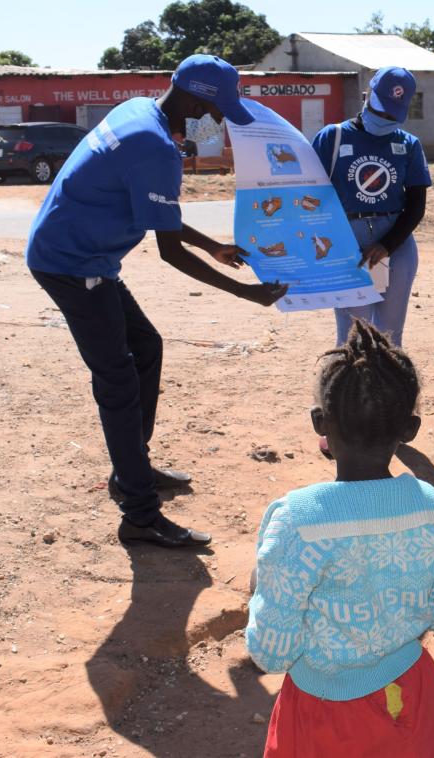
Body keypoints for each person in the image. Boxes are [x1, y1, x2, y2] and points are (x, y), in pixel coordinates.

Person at [26, 54, 288, 549]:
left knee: (146, 346)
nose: (217, 121)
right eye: (215, 111)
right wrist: (247, 294)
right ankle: (140, 514)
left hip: (85, 257)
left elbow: (157, 214)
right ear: (193, 100)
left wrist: (211, 244)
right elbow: (168, 251)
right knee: (118, 380)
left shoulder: (140, 112)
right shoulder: (154, 146)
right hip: (72, 264)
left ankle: (133, 471)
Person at [246, 319, 434, 758]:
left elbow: (271, 653)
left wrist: (258, 590)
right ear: (410, 428)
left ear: (319, 423)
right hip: (415, 698)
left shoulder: (297, 522)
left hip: (322, 715)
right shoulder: (429, 507)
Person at [311, 66, 430, 349]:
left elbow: (416, 205)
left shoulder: (409, 145)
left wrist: (386, 245)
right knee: (353, 337)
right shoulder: (333, 138)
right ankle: (348, 393)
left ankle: (389, 393)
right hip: (348, 244)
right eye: (380, 109)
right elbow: (310, 195)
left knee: (390, 337)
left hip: (396, 244)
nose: (385, 119)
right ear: (366, 96)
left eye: (392, 114)